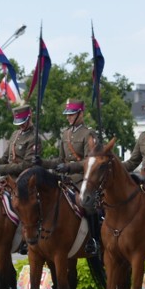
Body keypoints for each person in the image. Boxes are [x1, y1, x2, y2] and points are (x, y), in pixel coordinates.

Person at [40, 98, 100, 255]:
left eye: (72, 114)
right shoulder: (65, 134)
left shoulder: (89, 134)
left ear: (81, 114)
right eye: (68, 114)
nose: (69, 117)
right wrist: (43, 163)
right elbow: (60, 160)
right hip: (65, 180)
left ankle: (94, 239)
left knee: (86, 203)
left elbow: (89, 160)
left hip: (81, 179)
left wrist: (69, 166)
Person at [0, 105, 38, 178]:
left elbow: (27, 165)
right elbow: (4, 159)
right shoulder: (15, 134)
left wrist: (1, 168)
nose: (20, 125)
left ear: (29, 119)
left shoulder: (33, 138)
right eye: (19, 123)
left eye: (23, 122)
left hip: (25, 178)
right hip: (10, 177)